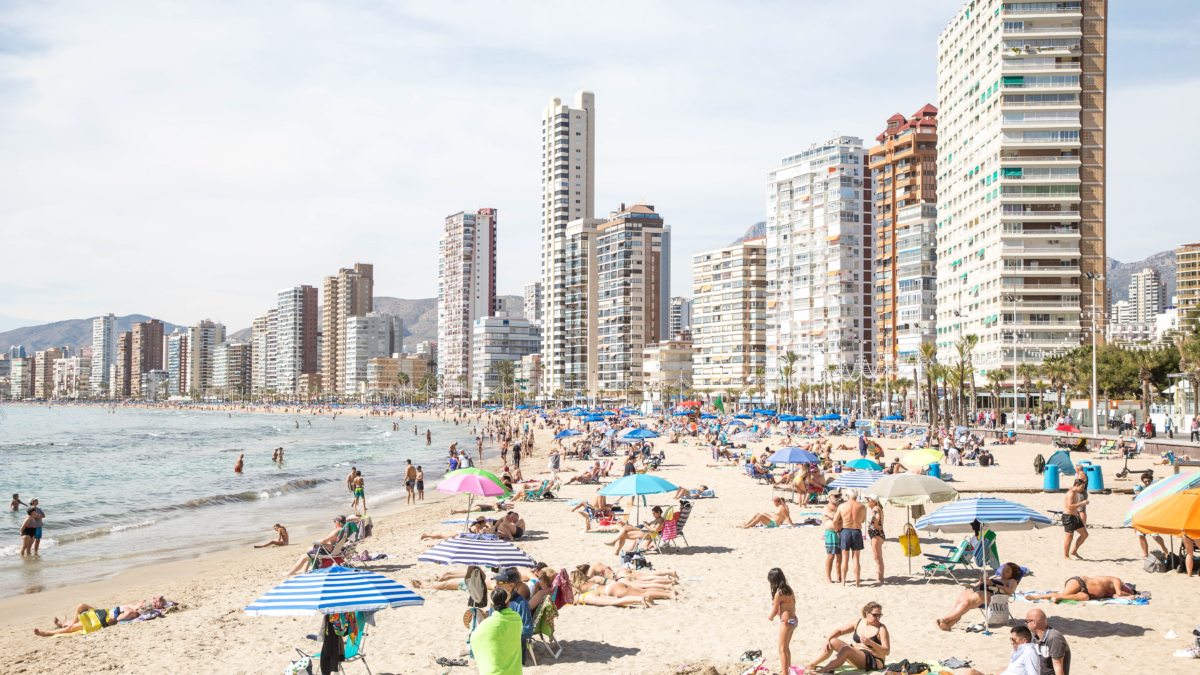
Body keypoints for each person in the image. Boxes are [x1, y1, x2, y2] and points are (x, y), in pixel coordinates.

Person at [804, 601, 890, 673]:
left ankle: (822, 671)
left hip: (873, 661)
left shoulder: (881, 629)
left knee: (846, 649)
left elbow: (887, 651)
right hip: (857, 657)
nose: (878, 618)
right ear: (867, 613)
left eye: (880, 615)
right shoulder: (858, 622)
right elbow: (840, 631)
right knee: (833, 641)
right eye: (875, 615)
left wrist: (870, 643)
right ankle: (812, 665)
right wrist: (828, 639)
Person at [936, 562, 1023, 631]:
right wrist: (981, 582)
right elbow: (976, 585)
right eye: (1004, 568)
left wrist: (994, 584)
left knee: (967, 602)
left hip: (991, 594)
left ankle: (945, 619)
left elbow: (1011, 591)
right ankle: (948, 625)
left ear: (1012, 575)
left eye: (1007, 571)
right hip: (977, 590)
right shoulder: (996, 576)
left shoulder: (1011, 581)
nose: (1004, 571)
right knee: (960, 602)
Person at [33, 596, 173, 636]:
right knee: (81, 606)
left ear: (142, 607)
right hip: (102, 612)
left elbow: (113, 621)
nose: (142, 600)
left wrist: (122, 613)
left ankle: (47, 632)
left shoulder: (131, 612)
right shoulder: (133, 607)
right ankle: (68, 623)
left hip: (100, 620)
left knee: (71, 629)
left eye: (143, 602)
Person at [472, 588, 524, 675]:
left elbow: (474, 638)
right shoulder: (517, 618)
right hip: (514, 672)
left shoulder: (488, 624)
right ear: (508, 603)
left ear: (491, 605)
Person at [283, 515, 356, 576]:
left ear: (338, 523)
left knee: (303, 557)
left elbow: (324, 541)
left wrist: (316, 542)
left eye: (335, 522)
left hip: (329, 551)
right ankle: (304, 570)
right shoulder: (344, 531)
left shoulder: (337, 531)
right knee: (309, 549)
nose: (334, 523)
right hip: (335, 550)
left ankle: (289, 573)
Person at [960, 625, 1042, 675]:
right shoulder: (1020, 650)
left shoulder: (1029, 652)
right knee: (971, 672)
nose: (1011, 642)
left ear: (1024, 641)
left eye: (1013, 640)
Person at [767, 568, 797, 675]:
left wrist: (770, 617)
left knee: (781, 649)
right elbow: (791, 605)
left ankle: (785, 674)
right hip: (794, 621)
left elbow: (775, 611)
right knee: (786, 648)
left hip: (786, 622)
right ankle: (788, 671)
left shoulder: (778, 594)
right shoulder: (789, 590)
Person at [1027, 575, 1136, 604]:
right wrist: (1128, 594)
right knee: (1065, 593)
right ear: (1126, 584)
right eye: (1129, 589)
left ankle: (1057, 598)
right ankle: (1036, 597)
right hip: (1080, 581)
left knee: (1084, 598)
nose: (1129, 591)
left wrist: (1129, 596)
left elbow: (1116, 596)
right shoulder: (1117, 581)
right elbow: (1120, 593)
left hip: (1086, 593)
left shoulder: (1112, 593)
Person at [1026, 608, 1071, 675]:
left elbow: (1058, 667)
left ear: (1034, 622)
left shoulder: (1054, 638)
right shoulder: (1033, 636)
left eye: (1027, 621)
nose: (1026, 624)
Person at [837, 489, 867, 587]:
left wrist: (837, 530)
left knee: (845, 558)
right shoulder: (862, 506)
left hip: (845, 530)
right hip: (856, 530)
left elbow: (835, 520)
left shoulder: (842, 506)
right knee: (856, 558)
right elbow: (862, 520)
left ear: (848, 496)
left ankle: (843, 581)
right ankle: (857, 582)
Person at [1063, 479, 1089, 559]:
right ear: (1077, 485)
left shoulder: (1076, 493)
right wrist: (1082, 503)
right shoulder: (1071, 494)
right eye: (1082, 487)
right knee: (1069, 537)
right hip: (1068, 517)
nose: (1083, 489)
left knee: (1084, 534)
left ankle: (1074, 550)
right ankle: (1066, 556)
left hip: (1075, 516)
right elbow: (1069, 506)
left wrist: (1078, 515)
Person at [865, 495, 885, 584]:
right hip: (877, 534)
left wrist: (875, 525)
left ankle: (880, 578)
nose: (867, 502)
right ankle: (880, 577)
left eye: (868, 500)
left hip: (876, 535)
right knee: (878, 557)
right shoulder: (877, 508)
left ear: (873, 501)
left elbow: (875, 518)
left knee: (877, 557)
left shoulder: (875, 509)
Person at [823, 493, 844, 584]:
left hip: (840, 532)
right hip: (831, 533)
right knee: (831, 556)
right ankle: (828, 578)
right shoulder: (827, 507)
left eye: (838, 496)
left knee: (839, 556)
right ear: (829, 497)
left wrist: (838, 519)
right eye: (835, 496)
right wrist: (839, 518)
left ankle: (839, 577)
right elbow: (835, 518)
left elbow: (841, 518)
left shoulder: (839, 507)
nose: (837, 498)